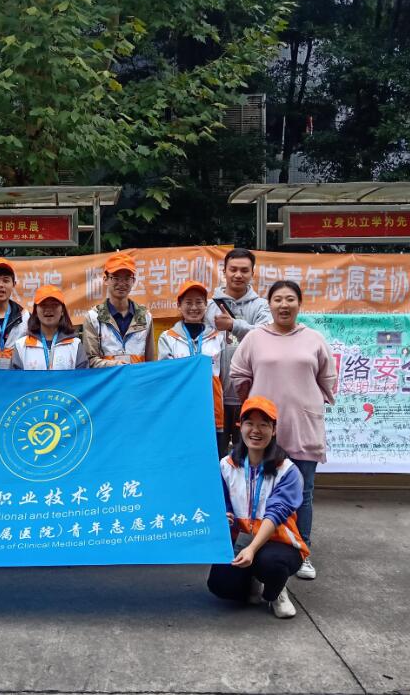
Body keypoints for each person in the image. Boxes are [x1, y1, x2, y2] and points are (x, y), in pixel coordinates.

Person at [229, 280, 336, 582]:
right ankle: (258, 547)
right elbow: (239, 374)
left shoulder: (313, 339)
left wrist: (306, 400)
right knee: (259, 488)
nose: (284, 305)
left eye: (290, 299)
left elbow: (327, 378)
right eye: (277, 299)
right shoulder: (255, 338)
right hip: (263, 430)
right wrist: (256, 403)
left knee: (304, 491)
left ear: (299, 304)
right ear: (269, 304)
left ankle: (301, 551)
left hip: (302, 425)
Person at [207, 396, 309, 619]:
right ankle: (252, 579)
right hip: (240, 541)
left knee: (271, 563)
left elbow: (276, 513)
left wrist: (252, 549)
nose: (256, 430)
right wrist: (224, 515)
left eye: (264, 424)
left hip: (278, 543)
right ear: (240, 426)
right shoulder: (225, 465)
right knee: (220, 585)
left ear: (274, 430)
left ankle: (276, 592)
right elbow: (220, 501)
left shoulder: (288, 471)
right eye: (250, 423)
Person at [209, 248, 272, 453]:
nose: (238, 275)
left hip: (251, 396)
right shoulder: (208, 306)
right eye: (233, 269)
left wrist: (233, 325)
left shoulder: (262, 306)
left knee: (248, 457)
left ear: (252, 273)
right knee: (214, 456)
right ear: (224, 271)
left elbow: (267, 336)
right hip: (213, 397)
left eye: (244, 270)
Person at [158, 280, 226, 453]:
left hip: (212, 411)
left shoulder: (218, 337)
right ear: (179, 305)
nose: (194, 307)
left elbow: (224, 376)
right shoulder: (168, 338)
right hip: (180, 411)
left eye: (199, 302)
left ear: (206, 305)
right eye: (188, 302)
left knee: (213, 458)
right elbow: (166, 378)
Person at [82, 252, 155, 367]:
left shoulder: (145, 317)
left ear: (133, 281)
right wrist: (116, 366)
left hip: (137, 378)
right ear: (105, 279)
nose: (121, 283)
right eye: (116, 278)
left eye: (127, 278)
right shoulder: (93, 318)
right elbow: (89, 361)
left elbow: (151, 362)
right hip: (108, 378)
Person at [12, 285, 87, 370]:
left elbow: (84, 378)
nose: (48, 309)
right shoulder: (21, 346)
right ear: (35, 311)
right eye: (43, 305)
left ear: (62, 310)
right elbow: (15, 378)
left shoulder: (75, 345)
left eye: (54, 305)